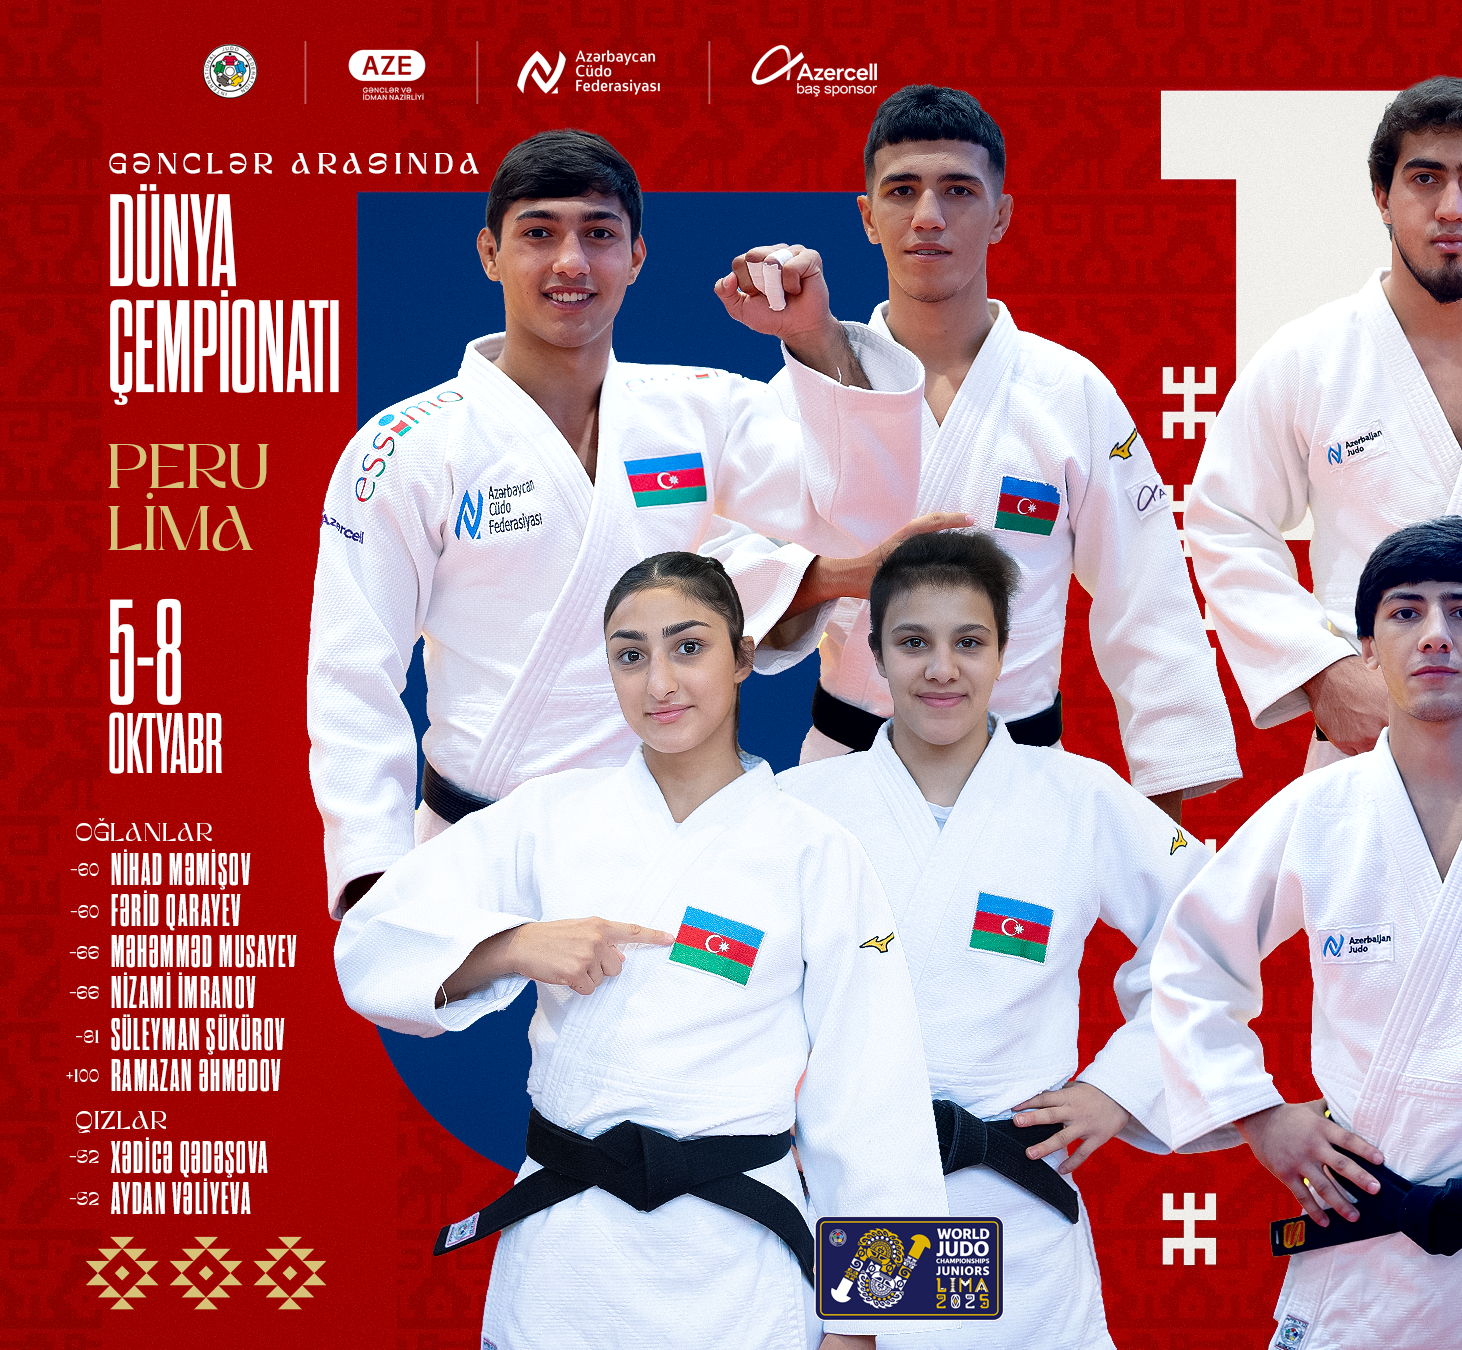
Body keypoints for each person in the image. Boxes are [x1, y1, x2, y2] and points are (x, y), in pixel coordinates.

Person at [310, 127, 940, 917]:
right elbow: (352, 669)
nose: (571, 262)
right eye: (539, 233)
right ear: (489, 253)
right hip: (479, 855)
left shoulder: (699, 409)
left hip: (673, 852)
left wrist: (814, 335)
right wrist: (373, 873)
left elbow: (860, 515)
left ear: (637, 256)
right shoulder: (410, 445)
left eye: (600, 234)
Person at [335, 552, 948, 1350]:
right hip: (565, 1260)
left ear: (743, 657)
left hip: (739, 1269)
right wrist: (513, 946)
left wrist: (869, 1327)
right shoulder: (549, 816)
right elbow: (370, 943)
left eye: (688, 647)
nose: (660, 682)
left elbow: (876, 1091)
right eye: (631, 656)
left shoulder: (819, 852)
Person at [1152, 518, 1462, 1350]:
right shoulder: (1319, 811)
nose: (1435, 636)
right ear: (1366, 648)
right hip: (1360, 1266)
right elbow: (1188, 960)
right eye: (1405, 613)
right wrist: (1259, 1116)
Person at [721, 85, 1239, 821]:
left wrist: (1164, 831)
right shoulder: (807, 392)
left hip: (1023, 779)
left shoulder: (1070, 393)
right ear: (867, 217)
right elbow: (722, 582)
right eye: (902, 191)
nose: (928, 216)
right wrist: (843, 576)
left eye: (959, 190)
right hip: (847, 779)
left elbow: (1147, 597)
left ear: (1001, 215)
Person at [776, 530, 1213, 1348]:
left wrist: (1121, 1084)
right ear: (875, 654)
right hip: (857, 1193)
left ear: (1005, 652)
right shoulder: (801, 809)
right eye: (914, 642)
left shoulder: (1080, 796)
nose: (942, 669)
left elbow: (1208, 933)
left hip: (1016, 1197)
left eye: (969, 642)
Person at [1185, 75, 1462, 774]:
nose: (1451, 207)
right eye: (1425, 179)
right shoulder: (1310, 358)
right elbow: (1225, 520)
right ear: (1382, 198)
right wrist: (1322, 671)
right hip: (1368, 734)